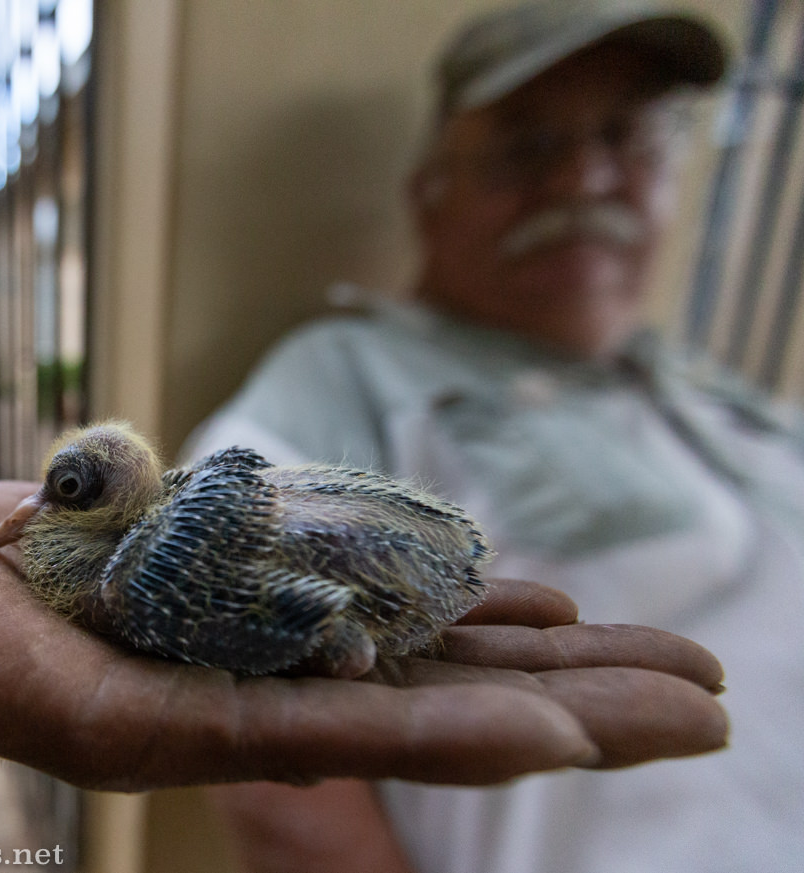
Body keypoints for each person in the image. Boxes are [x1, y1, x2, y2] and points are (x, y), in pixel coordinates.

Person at [182, 2, 804, 871]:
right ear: (430, 194)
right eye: (528, 147)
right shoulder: (355, 368)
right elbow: (229, 630)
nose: (586, 181)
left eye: (625, 138)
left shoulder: (720, 393)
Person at [0, 465, 728, 793]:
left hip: (393, 582)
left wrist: (325, 637)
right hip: (421, 556)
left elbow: (316, 612)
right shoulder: (160, 510)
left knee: (151, 595)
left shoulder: (132, 580)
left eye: (65, 494)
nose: (33, 514)